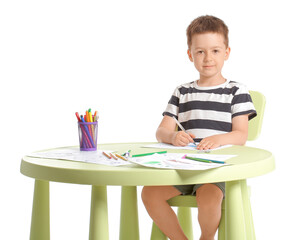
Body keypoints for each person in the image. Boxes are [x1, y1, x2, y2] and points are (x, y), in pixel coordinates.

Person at [141, 15, 257, 240]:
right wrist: (173, 137)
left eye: (214, 51)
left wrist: (218, 140)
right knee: (149, 193)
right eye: (200, 52)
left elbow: (241, 135)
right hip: (181, 169)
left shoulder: (236, 91)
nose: (207, 58)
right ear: (190, 55)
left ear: (226, 53)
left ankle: (206, 238)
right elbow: (161, 131)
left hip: (215, 170)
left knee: (209, 198)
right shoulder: (182, 91)